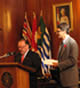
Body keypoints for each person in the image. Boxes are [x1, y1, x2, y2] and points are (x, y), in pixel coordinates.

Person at [52, 23, 79, 88]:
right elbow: (63, 59)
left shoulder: (72, 43)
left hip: (70, 81)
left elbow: (73, 60)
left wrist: (58, 64)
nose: (57, 33)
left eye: (58, 31)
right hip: (62, 80)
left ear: (64, 31)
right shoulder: (62, 43)